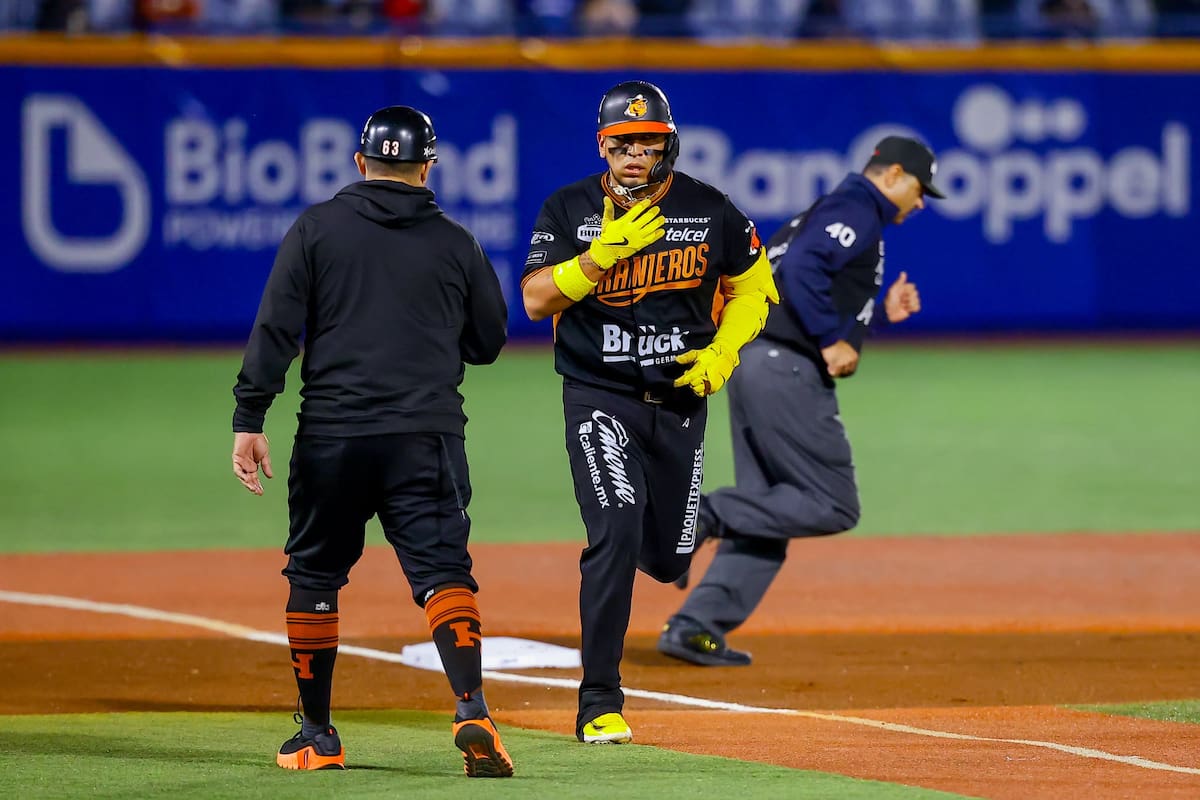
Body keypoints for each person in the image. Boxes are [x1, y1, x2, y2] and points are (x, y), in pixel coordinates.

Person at [230, 105, 514, 777]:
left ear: (361, 163)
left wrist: (250, 416)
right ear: (428, 168)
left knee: (314, 575)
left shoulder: (316, 228)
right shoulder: (457, 242)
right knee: (444, 573)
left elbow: (276, 328)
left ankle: (316, 735)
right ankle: (471, 706)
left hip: (333, 436)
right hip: (425, 436)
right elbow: (488, 343)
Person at [521, 79, 779, 743]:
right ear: (602, 147)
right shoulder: (570, 208)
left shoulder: (709, 209)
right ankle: (599, 702)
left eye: (648, 143)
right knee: (614, 530)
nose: (634, 155)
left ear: (669, 146)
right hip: (598, 396)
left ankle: (660, 545)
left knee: (667, 558)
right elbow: (536, 299)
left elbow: (754, 289)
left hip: (680, 400)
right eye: (622, 143)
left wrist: (724, 352)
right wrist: (595, 259)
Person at [657, 135, 941, 667]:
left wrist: (878, 316)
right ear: (894, 175)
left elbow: (799, 284)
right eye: (921, 189)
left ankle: (697, 624)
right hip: (784, 368)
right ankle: (698, 517)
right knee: (832, 503)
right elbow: (802, 270)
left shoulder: (829, 209)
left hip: (756, 360)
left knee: (770, 509)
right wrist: (832, 339)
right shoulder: (857, 207)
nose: (922, 202)